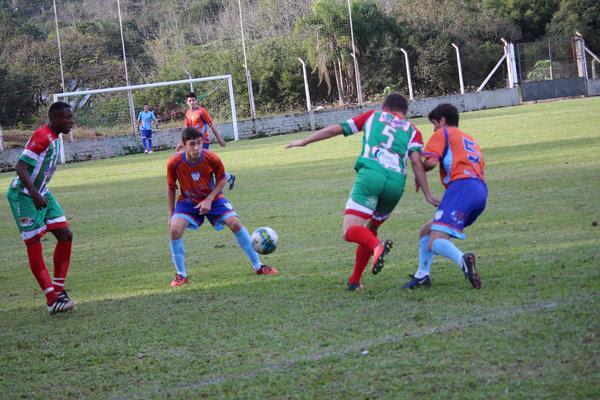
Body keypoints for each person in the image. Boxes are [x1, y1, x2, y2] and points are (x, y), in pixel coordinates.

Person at [287, 93, 439, 291]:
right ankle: (355, 281)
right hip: (395, 185)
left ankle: (377, 246)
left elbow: (337, 129)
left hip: (371, 175)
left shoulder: (372, 116)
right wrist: (426, 192)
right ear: (405, 112)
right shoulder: (412, 130)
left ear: (385, 108)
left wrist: (304, 141)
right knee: (371, 227)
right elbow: (417, 161)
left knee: (350, 231)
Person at [166, 127, 278, 287]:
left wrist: (209, 200)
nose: (197, 148)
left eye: (199, 143)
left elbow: (222, 179)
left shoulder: (211, 157)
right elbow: (171, 187)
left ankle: (259, 266)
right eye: (192, 144)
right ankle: (181, 275)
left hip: (214, 198)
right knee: (174, 229)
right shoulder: (174, 163)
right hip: (188, 202)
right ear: (183, 145)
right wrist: (170, 215)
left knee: (235, 223)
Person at [401, 103, 487, 290]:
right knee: (427, 230)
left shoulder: (444, 133)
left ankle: (463, 260)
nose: (434, 129)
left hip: (462, 187)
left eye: (435, 124)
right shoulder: (469, 139)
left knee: (435, 241)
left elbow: (430, 162)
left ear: (442, 120)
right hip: (480, 191)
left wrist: (419, 171)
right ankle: (422, 275)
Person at [6, 102, 76, 315]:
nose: (71, 122)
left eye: (71, 117)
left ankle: (59, 290)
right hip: (24, 196)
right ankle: (51, 299)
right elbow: (20, 167)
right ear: (54, 118)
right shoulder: (42, 136)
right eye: (66, 118)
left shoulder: (55, 137)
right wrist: (34, 194)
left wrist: (40, 192)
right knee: (34, 244)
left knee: (65, 234)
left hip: (42, 192)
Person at [184, 92, 236, 190]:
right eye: (190, 101)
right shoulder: (187, 113)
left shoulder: (201, 111)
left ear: (196, 100)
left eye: (193, 100)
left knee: (201, 163)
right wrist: (183, 142)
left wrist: (219, 139)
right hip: (193, 144)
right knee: (204, 163)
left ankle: (211, 185)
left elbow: (211, 125)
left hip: (203, 142)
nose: (192, 102)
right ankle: (228, 177)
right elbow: (187, 129)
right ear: (187, 102)